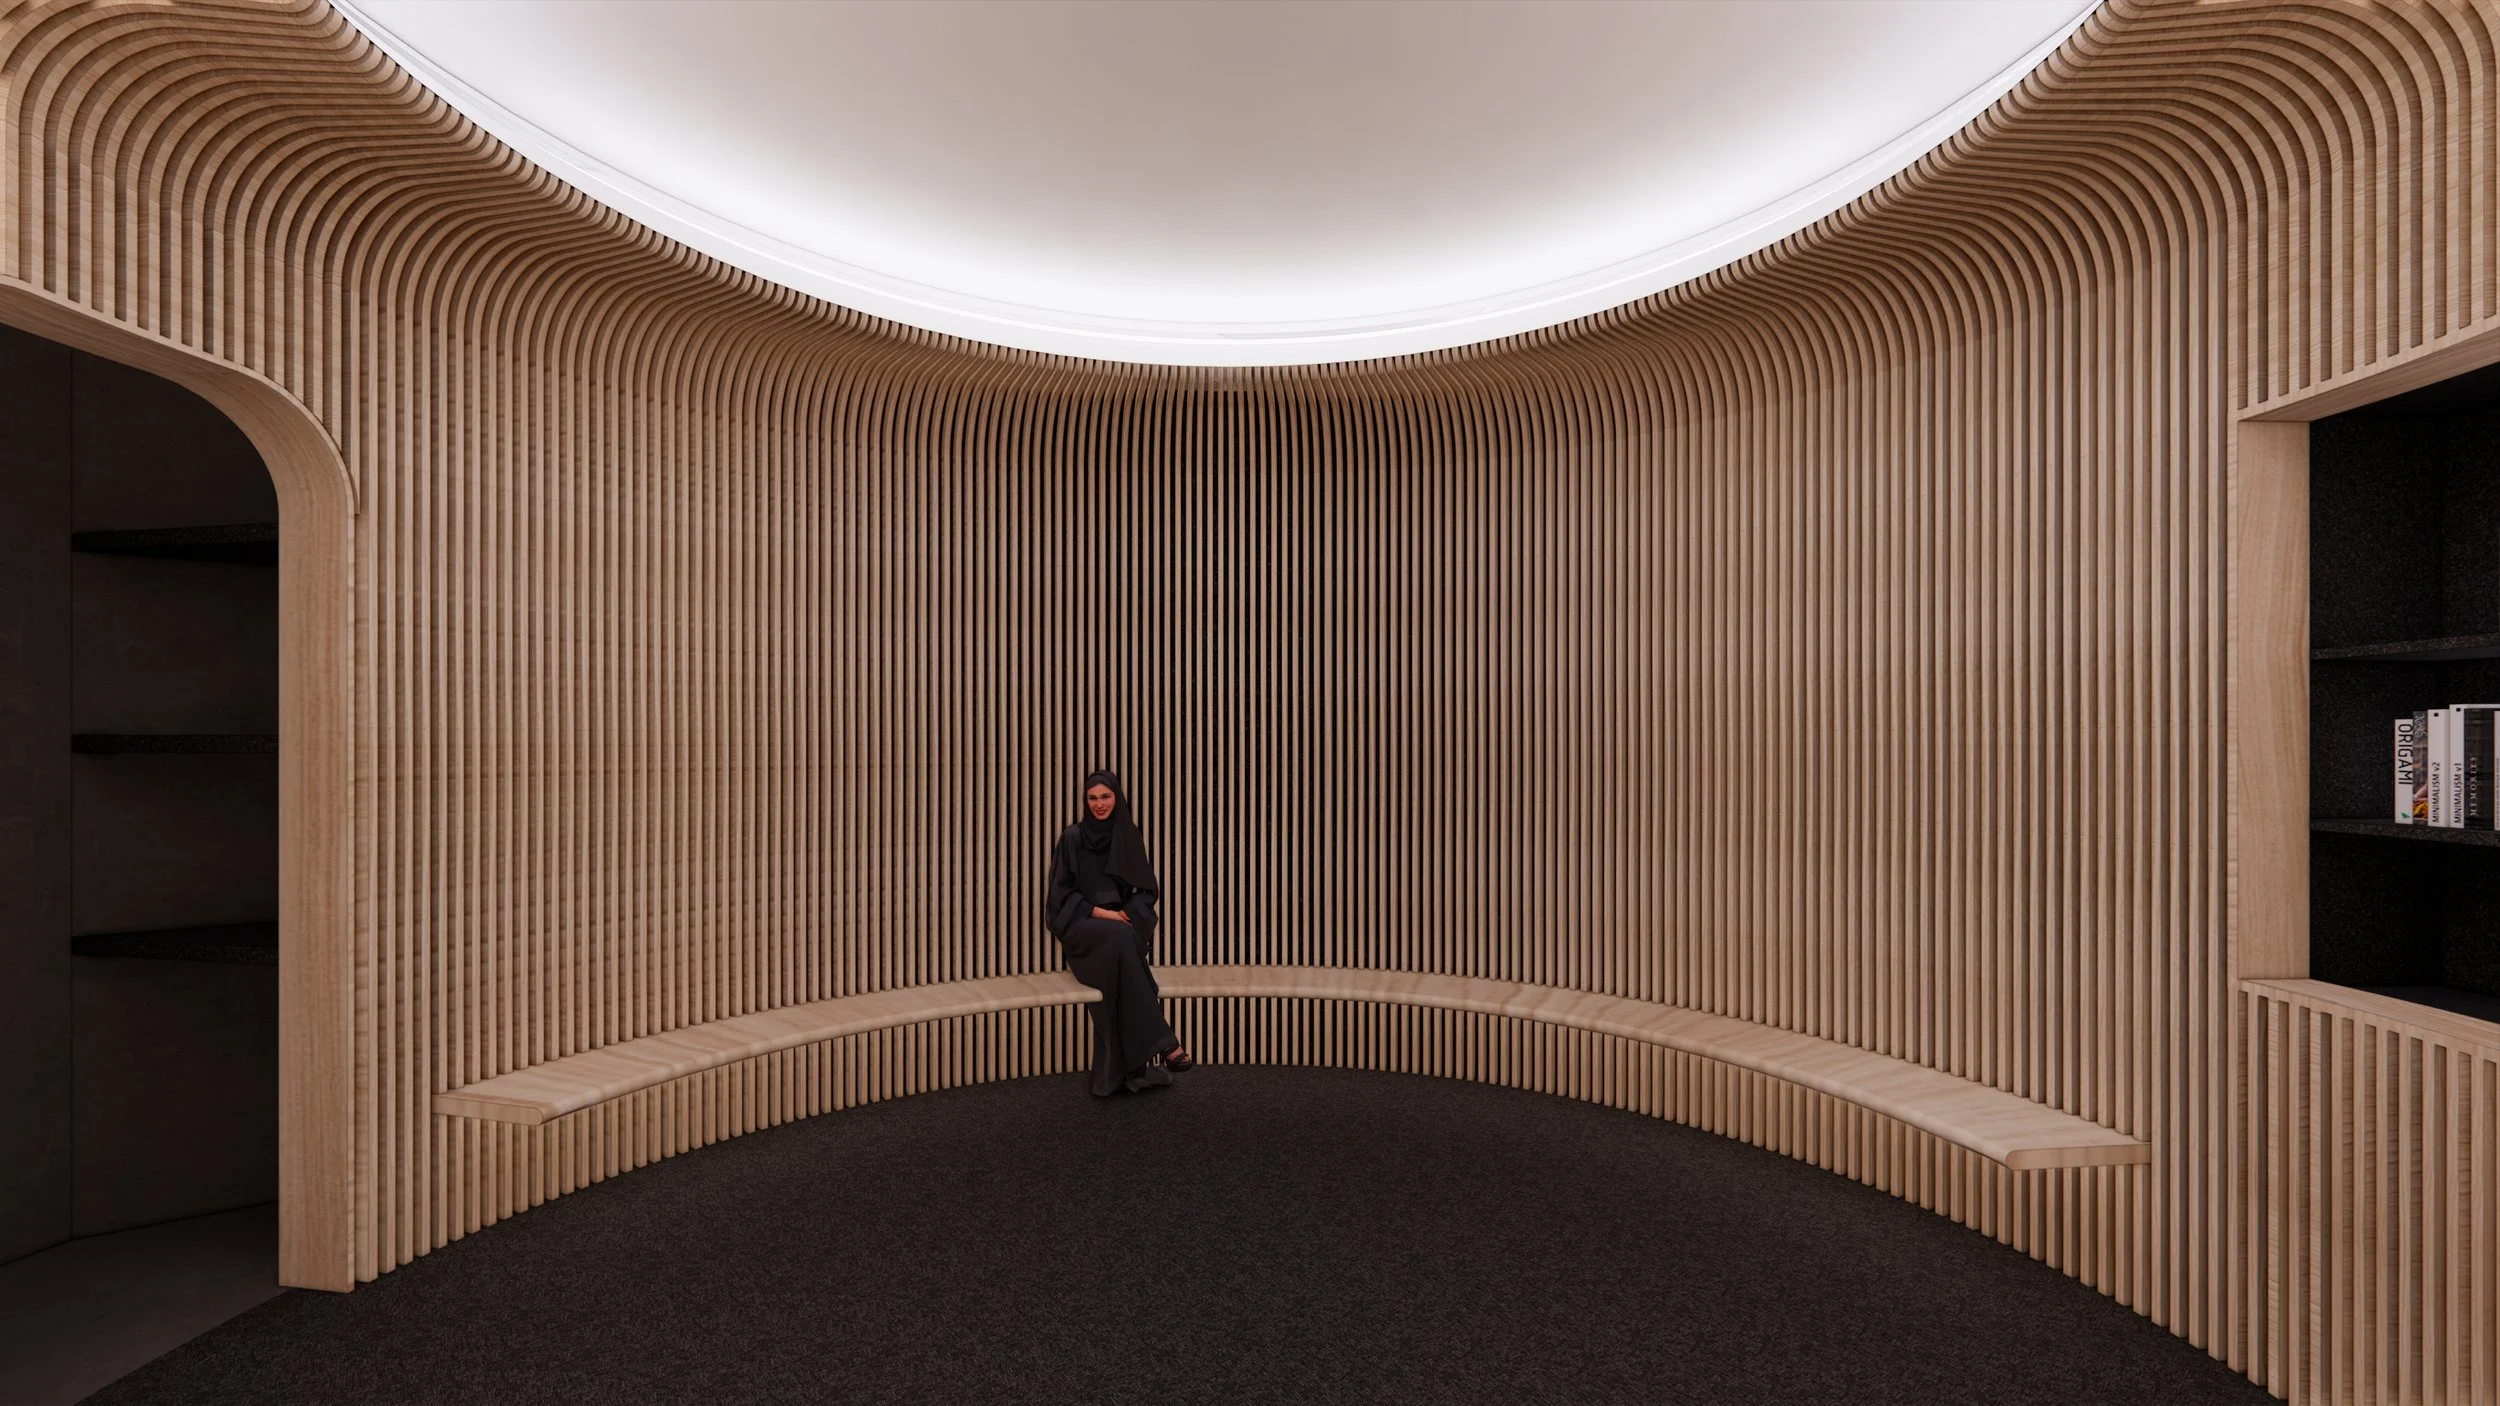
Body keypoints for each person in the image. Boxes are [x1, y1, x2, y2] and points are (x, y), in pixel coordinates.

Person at [1044, 769, 1193, 1095]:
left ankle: (1113, 1076)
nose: (1099, 804)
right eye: (1092, 798)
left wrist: (1125, 915)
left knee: (1123, 946)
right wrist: (1102, 913)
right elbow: (1059, 899)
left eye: (1106, 796)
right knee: (1123, 941)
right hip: (1083, 931)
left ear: (1117, 798)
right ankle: (1166, 1042)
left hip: (1119, 935)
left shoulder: (1128, 836)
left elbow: (1147, 891)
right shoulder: (1072, 839)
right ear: (1085, 801)